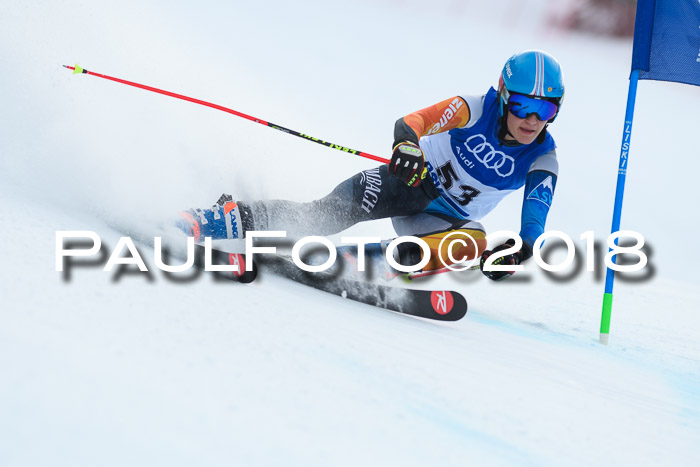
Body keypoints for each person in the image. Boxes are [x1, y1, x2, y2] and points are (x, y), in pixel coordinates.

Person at [176, 50, 565, 281]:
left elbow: (534, 221)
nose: (532, 120)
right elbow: (412, 123)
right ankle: (219, 219)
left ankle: (359, 266)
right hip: (408, 183)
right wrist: (407, 147)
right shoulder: (472, 108)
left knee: (474, 242)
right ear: (502, 95)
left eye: (546, 109)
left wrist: (520, 250)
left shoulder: (542, 156)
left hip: (442, 223)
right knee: (319, 217)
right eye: (522, 106)